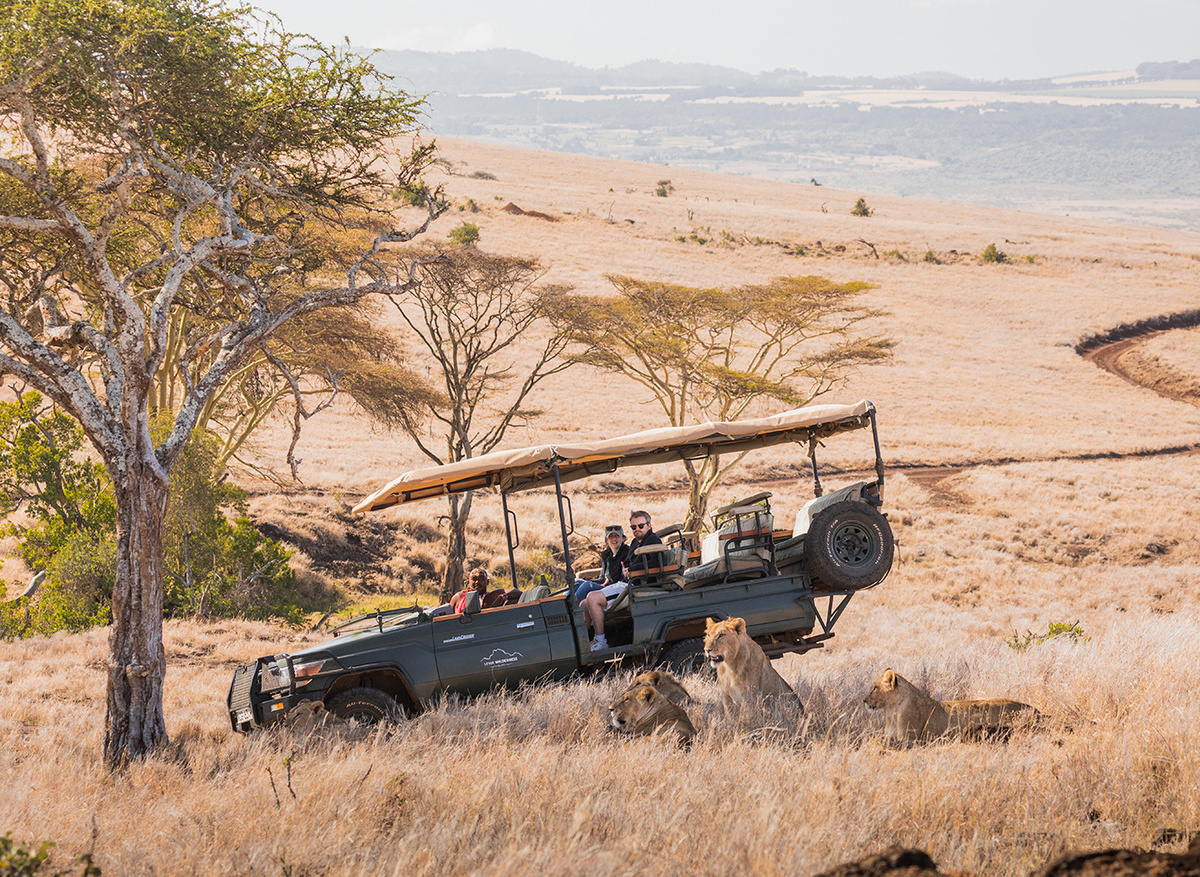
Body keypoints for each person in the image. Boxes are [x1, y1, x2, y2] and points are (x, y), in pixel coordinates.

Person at [582, 510, 662, 651]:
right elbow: (628, 562)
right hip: (626, 582)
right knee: (584, 604)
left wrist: (631, 570)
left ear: (649, 525)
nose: (637, 529)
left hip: (636, 585)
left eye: (641, 526)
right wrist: (627, 568)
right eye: (633, 527)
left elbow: (655, 563)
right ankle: (583, 642)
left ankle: (601, 641)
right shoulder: (635, 542)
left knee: (592, 598)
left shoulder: (652, 540)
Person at [573, 524, 629, 604]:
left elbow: (620, 579)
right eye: (611, 537)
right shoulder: (606, 554)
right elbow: (603, 576)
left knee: (587, 586)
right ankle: (562, 605)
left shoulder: (627, 552)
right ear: (606, 540)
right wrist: (596, 582)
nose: (614, 539)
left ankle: (573, 608)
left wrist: (600, 584)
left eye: (617, 536)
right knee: (575, 582)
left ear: (623, 538)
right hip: (607, 586)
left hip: (617, 588)